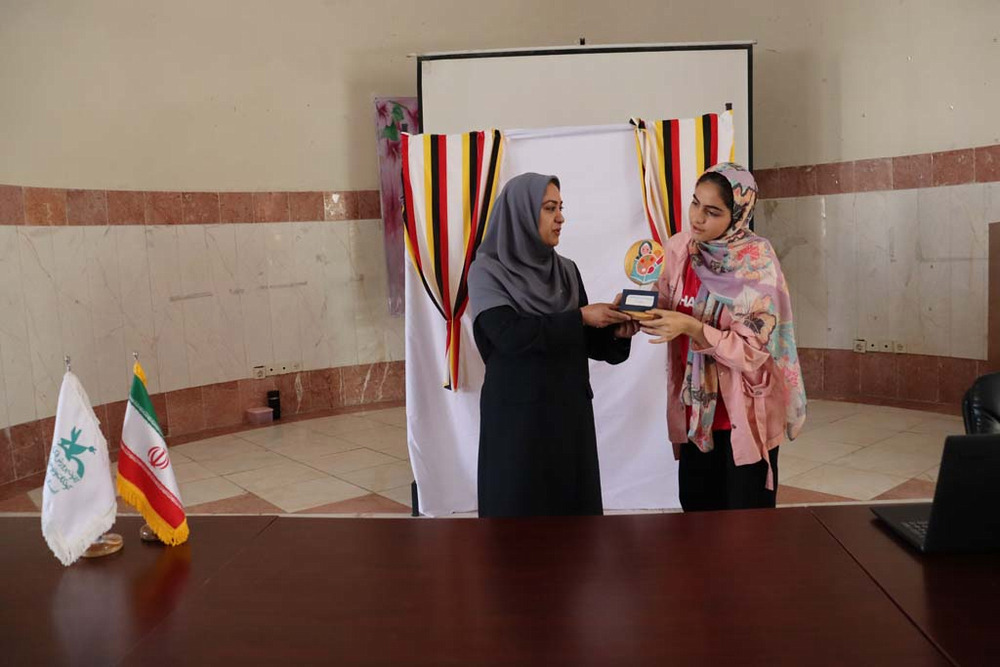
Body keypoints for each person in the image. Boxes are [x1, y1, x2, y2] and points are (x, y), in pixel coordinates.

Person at [468, 172, 641, 517]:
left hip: (568, 418)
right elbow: (509, 335)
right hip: (517, 420)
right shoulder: (487, 272)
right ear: (521, 214)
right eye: (549, 208)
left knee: (573, 520)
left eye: (561, 208)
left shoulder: (566, 270)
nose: (560, 217)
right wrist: (579, 318)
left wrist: (615, 332)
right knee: (518, 518)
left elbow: (585, 341)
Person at [639, 163, 806, 511]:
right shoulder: (681, 249)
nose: (697, 218)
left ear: (737, 216)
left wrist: (692, 328)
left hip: (743, 415)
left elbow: (753, 350)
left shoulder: (756, 263)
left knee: (746, 523)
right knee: (697, 516)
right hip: (697, 413)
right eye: (695, 203)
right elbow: (665, 302)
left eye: (712, 212)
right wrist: (633, 312)